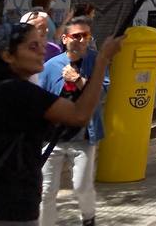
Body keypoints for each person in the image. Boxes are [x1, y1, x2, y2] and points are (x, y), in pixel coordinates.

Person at [0, 22, 121, 226]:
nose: (42, 49)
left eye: (42, 43)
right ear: (7, 55)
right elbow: (79, 115)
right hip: (7, 210)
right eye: (33, 46)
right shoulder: (18, 91)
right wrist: (103, 59)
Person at [38, 17, 105, 226]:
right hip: (52, 138)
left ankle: (88, 218)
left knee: (81, 186)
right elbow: (39, 99)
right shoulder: (50, 66)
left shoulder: (96, 61)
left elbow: (101, 93)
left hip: (83, 136)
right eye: (77, 36)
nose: (82, 40)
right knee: (46, 191)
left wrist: (77, 79)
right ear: (65, 39)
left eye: (87, 36)